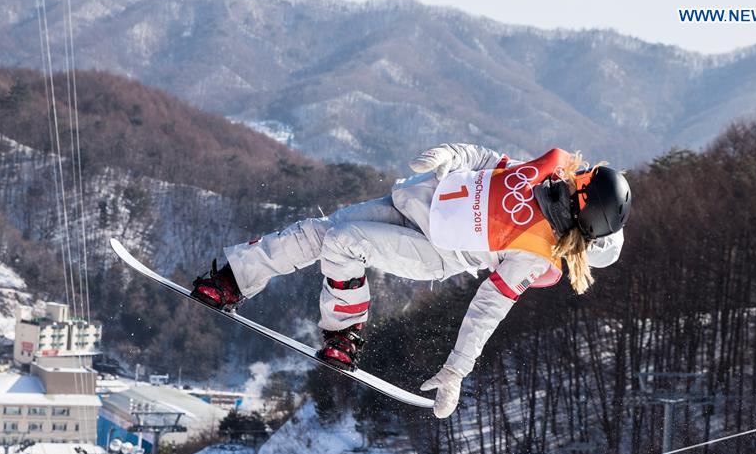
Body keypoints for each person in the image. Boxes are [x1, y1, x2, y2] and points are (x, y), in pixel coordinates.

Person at [192, 144, 631, 418]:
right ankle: (232, 279)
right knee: (316, 234)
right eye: (585, 174)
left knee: (345, 243)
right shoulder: (545, 173)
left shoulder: (535, 255)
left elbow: (488, 308)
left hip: (435, 248)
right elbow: (484, 159)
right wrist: (448, 155)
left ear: (586, 216)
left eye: (584, 184)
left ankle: (344, 333)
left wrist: (457, 368)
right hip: (414, 200)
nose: (577, 178)